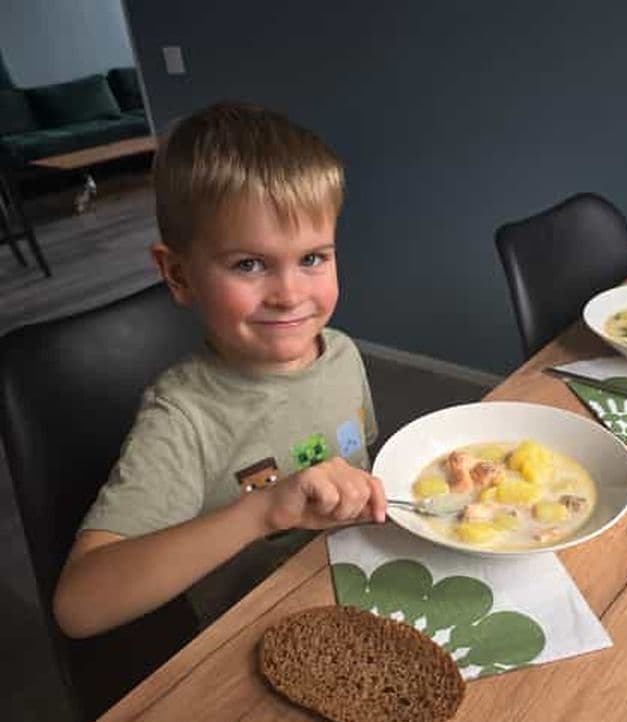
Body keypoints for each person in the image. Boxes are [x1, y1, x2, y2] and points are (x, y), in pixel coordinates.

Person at [53, 103, 387, 638]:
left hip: (353, 589)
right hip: (250, 635)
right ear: (179, 275)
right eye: (248, 264)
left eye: (312, 258)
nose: (290, 295)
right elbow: (79, 606)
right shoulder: (182, 415)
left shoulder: (342, 352)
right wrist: (263, 511)